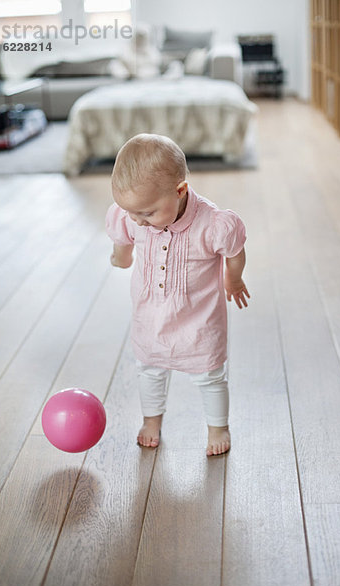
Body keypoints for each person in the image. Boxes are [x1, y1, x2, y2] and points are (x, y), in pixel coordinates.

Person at [105, 133, 250, 456]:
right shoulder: (136, 216)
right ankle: (151, 421)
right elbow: (123, 237)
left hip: (198, 319)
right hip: (150, 316)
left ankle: (218, 427)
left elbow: (235, 249)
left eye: (148, 213)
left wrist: (234, 278)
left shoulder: (212, 223)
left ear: (180, 190)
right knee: (150, 369)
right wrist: (122, 256)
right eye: (133, 213)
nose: (140, 221)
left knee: (210, 376)